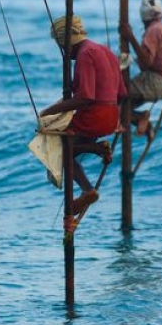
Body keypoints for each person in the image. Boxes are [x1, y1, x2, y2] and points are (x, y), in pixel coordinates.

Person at [40, 15, 127, 215]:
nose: (63, 52)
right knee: (70, 152)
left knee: (60, 151)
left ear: (66, 42)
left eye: (61, 47)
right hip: (111, 116)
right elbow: (122, 94)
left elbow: (85, 98)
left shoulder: (84, 55)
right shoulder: (105, 51)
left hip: (94, 116)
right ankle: (96, 151)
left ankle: (89, 186)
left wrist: (49, 111)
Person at [119, 0, 162, 138]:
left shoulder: (153, 31)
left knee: (115, 97)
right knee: (125, 106)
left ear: (143, 16)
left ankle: (140, 118)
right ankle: (142, 121)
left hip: (152, 80)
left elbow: (146, 62)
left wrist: (130, 37)